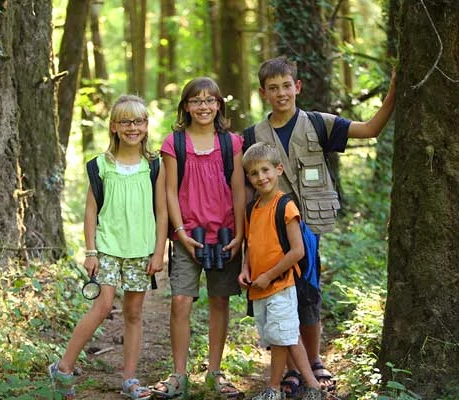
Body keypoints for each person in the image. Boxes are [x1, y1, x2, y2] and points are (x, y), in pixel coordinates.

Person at [242, 56, 396, 397]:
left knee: (307, 294)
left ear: (297, 87)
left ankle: (312, 361)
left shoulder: (317, 123)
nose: (281, 93)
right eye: (273, 88)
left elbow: (370, 129)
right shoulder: (252, 135)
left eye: (286, 86)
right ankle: (291, 371)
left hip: (306, 228)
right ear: (263, 92)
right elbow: (240, 186)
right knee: (277, 297)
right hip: (269, 232)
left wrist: (394, 91)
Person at [48, 94, 168, 400]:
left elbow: (162, 211)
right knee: (101, 306)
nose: (133, 127)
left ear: (146, 126)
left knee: (134, 312)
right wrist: (90, 251)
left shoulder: (154, 165)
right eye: (125, 121)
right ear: (114, 126)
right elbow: (91, 211)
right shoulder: (101, 165)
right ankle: (62, 369)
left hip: (140, 250)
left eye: (139, 121)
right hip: (108, 248)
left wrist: (158, 252)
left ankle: (129, 378)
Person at [152, 77, 246, 398]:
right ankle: (178, 375)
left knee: (220, 300)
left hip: (224, 235)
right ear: (186, 106)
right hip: (187, 235)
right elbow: (170, 193)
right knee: (180, 301)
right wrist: (179, 233)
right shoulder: (174, 143)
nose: (203, 106)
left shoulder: (231, 143)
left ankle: (215, 373)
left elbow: (237, 190)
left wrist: (240, 235)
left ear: (218, 105)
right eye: (196, 101)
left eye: (209, 100)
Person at [239, 142, 324, 400]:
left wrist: (269, 276)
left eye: (265, 170)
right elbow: (250, 245)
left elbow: (297, 251)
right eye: (254, 173)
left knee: (279, 337)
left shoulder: (285, 206)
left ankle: (273, 388)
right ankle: (313, 386)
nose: (260, 177)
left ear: (278, 170)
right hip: (260, 287)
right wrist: (245, 269)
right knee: (286, 335)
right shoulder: (251, 209)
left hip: (281, 284)